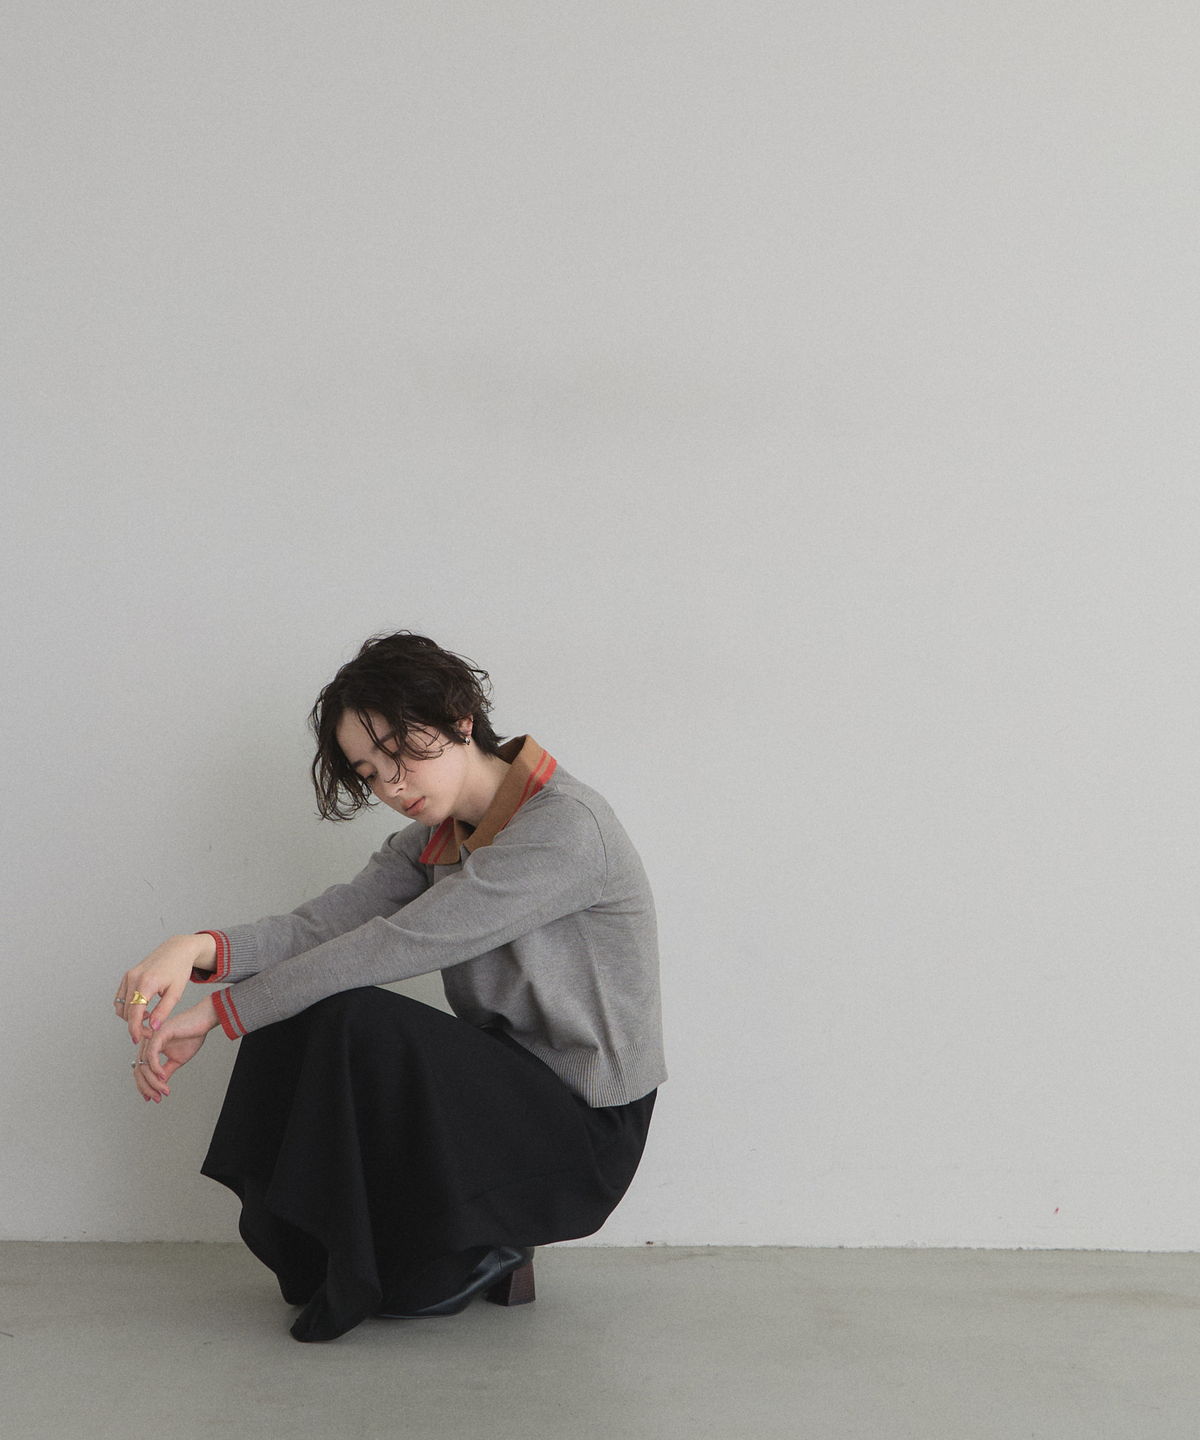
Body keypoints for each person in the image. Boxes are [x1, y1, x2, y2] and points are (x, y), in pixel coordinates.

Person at [114, 630, 667, 1342]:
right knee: (298, 1007)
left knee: (345, 1012)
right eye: (369, 773)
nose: (391, 786)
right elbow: (324, 925)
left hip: (584, 1126)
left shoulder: (565, 828)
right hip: (501, 1088)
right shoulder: (434, 839)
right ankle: (324, 1250)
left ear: (460, 719)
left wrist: (220, 1014)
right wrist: (195, 949)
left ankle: (486, 1244)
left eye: (400, 753)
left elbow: (401, 943)